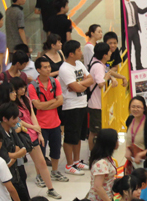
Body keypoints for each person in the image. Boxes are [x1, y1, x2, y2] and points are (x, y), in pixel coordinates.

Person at [12, 78, 58, 199]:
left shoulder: (26, 99)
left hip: (32, 134)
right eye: (20, 88)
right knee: (18, 166)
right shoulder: (12, 104)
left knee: (41, 162)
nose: (23, 90)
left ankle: (50, 188)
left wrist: (38, 131)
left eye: (24, 87)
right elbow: (18, 121)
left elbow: (32, 115)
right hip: (21, 135)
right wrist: (33, 127)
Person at [58, 40, 93, 175]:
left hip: (83, 103)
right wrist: (81, 85)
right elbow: (77, 87)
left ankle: (77, 161)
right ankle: (69, 164)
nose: (81, 52)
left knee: (78, 136)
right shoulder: (64, 68)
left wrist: (79, 84)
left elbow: (91, 80)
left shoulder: (79, 64)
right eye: (78, 50)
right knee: (70, 137)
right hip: (71, 107)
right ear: (71, 54)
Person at [29, 57, 66, 182]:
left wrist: (45, 104)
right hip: (41, 125)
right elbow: (37, 105)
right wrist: (52, 101)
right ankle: (40, 175)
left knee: (56, 150)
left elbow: (60, 101)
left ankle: (54, 171)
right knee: (40, 153)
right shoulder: (33, 86)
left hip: (55, 123)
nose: (48, 69)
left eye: (49, 66)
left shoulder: (55, 82)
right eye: (45, 67)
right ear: (38, 70)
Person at [0, 103, 30, 201]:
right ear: (5, 119)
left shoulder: (11, 130)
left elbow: (23, 149)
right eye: (14, 118)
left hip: (17, 175)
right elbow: (7, 161)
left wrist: (12, 154)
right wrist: (16, 153)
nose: (17, 120)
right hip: (8, 180)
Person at [122, 0, 147, 72]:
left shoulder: (133, 3)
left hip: (135, 29)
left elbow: (141, 11)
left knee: (138, 47)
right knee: (129, 50)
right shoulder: (122, 5)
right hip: (127, 29)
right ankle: (130, 67)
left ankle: (139, 65)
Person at [87, 42, 111, 150]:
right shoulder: (98, 66)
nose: (111, 53)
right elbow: (101, 83)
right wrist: (106, 78)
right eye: (109, 51)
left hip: (98, 104)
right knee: (95, 132)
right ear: (105, 55)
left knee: (97, 131)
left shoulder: (98, 63)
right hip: (96, 104)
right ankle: (93, 154)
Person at [125, 95, 147, 170]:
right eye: (133, 107)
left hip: (146, 163)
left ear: (143, 108)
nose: (135, 109)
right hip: (133, 162)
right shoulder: (130, 120)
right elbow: (129, 138)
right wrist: (127, 149)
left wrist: (142, 154)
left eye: (138, 107)